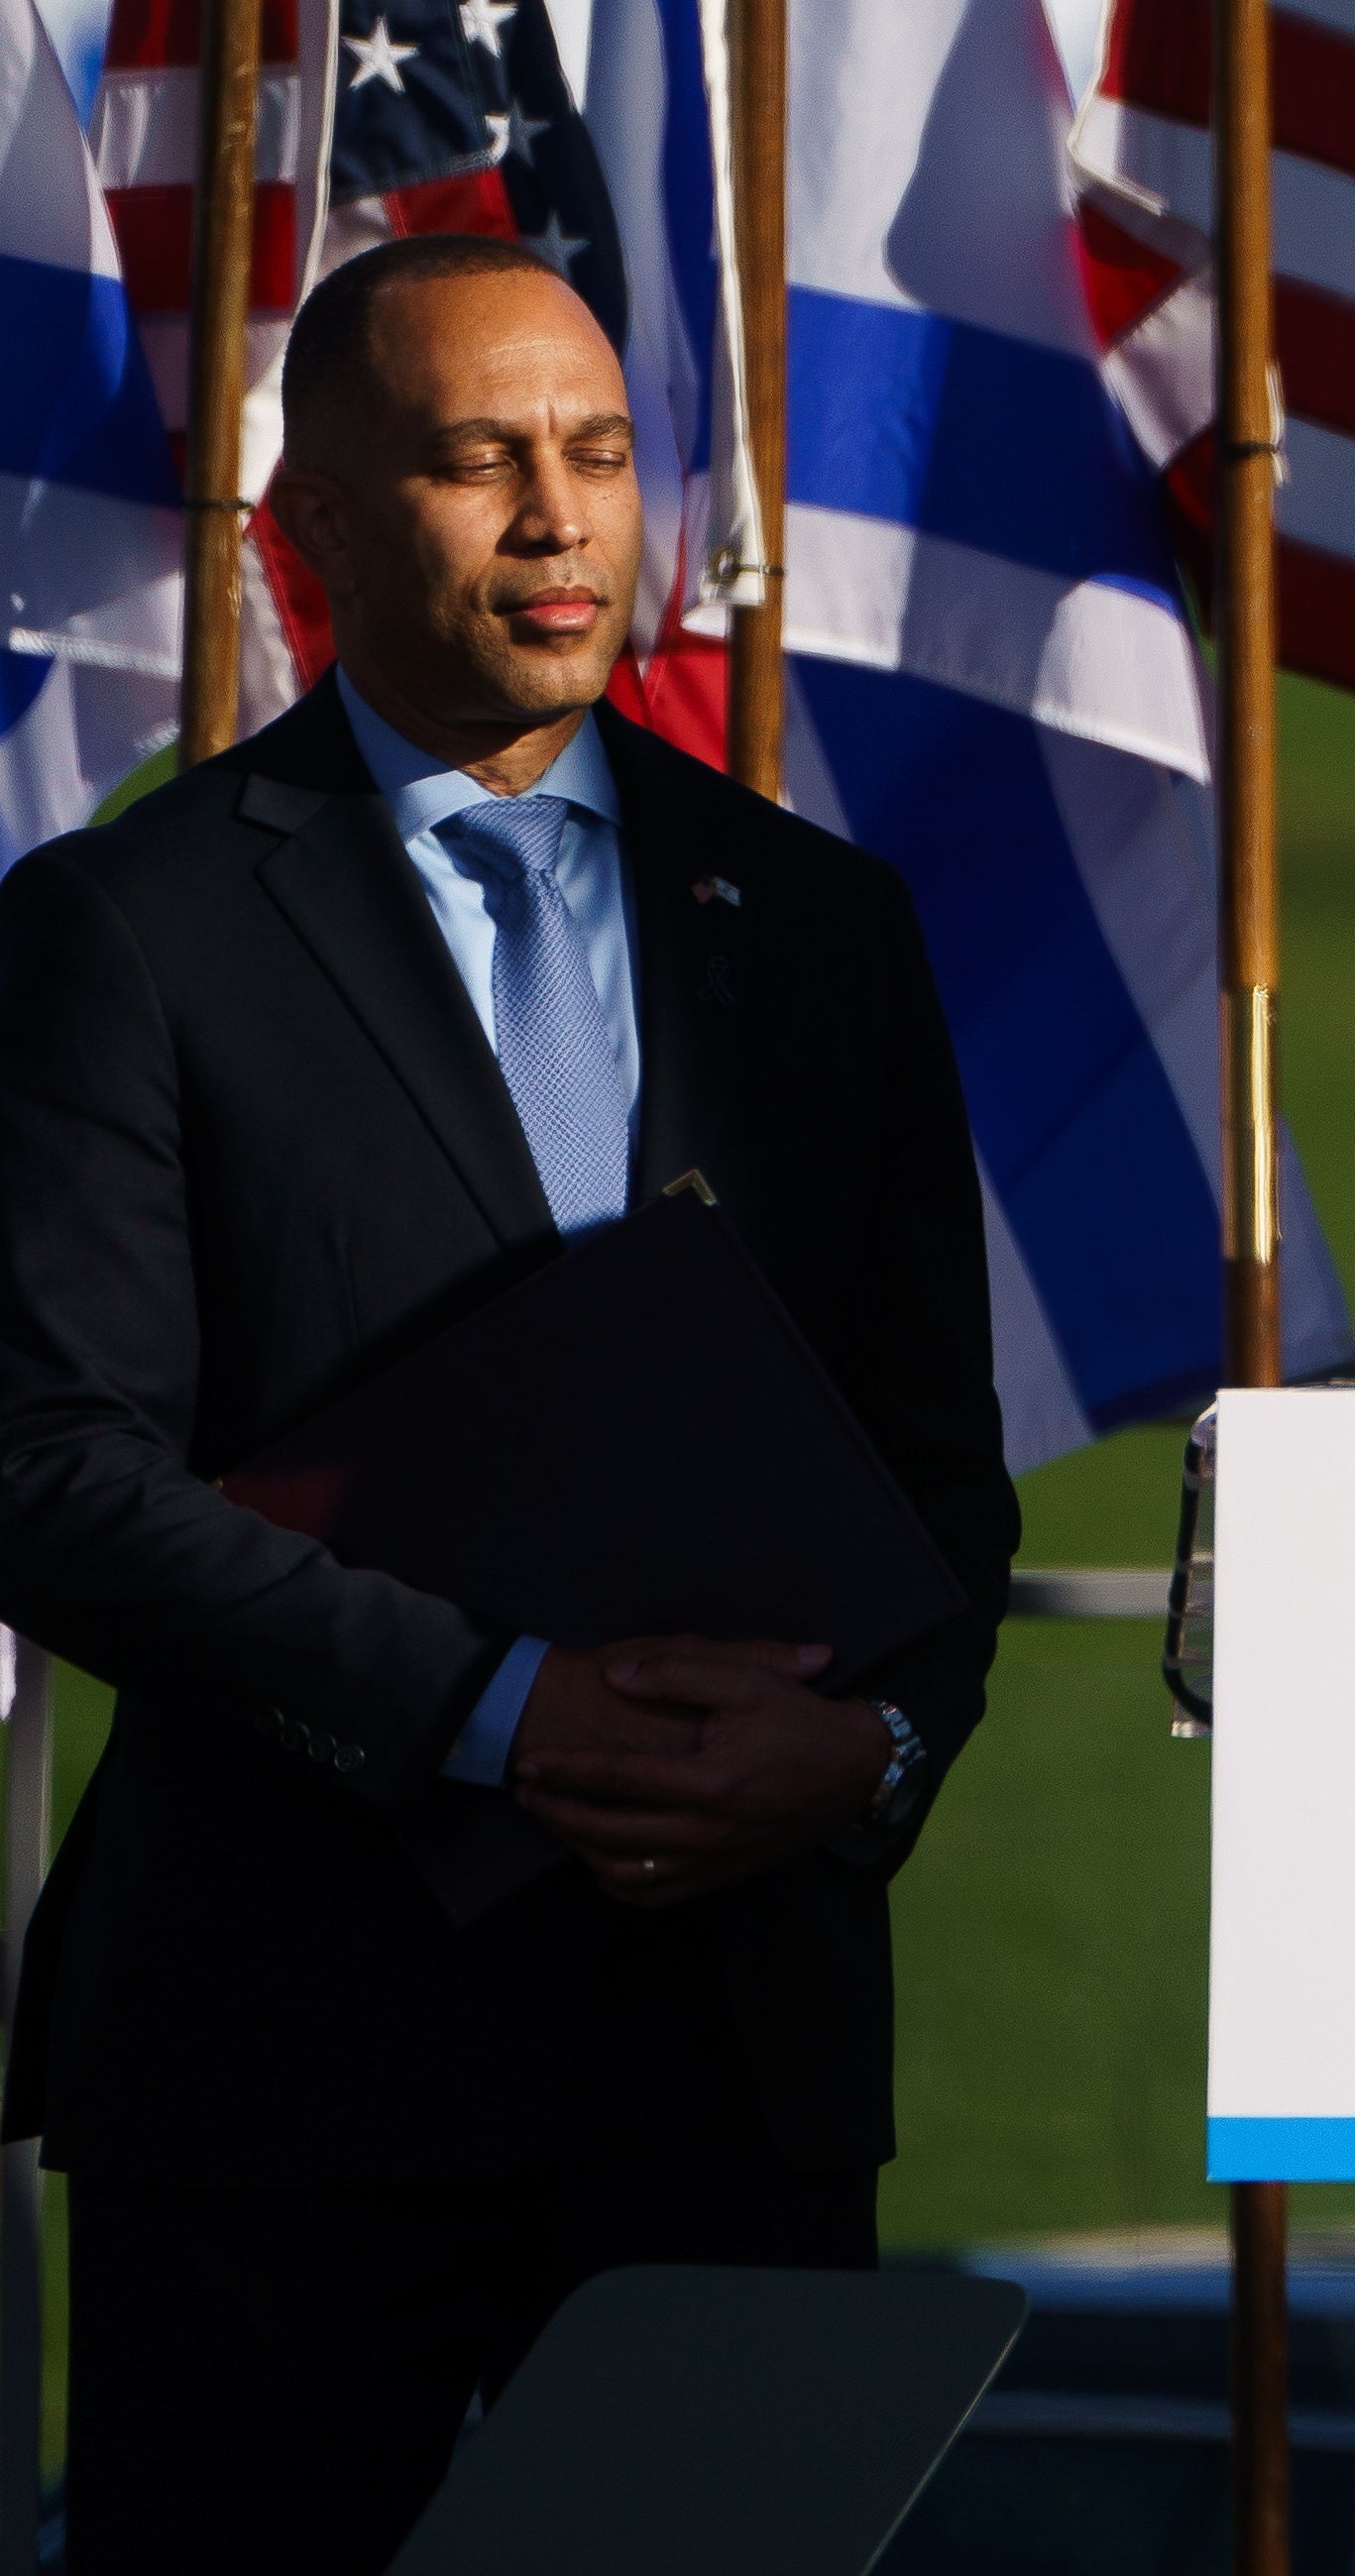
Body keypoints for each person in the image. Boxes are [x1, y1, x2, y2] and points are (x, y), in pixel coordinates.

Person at [0, 234, 1016, 2572]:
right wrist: (493, 1705)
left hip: (727, 2055)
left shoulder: (824, 930)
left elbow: (931, 1487)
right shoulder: (126, 928)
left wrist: (864, 1756)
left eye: (594, 453)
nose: (557, 519)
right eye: (475, 462)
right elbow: (50, 1469)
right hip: (283, 2069)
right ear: (318, 532)